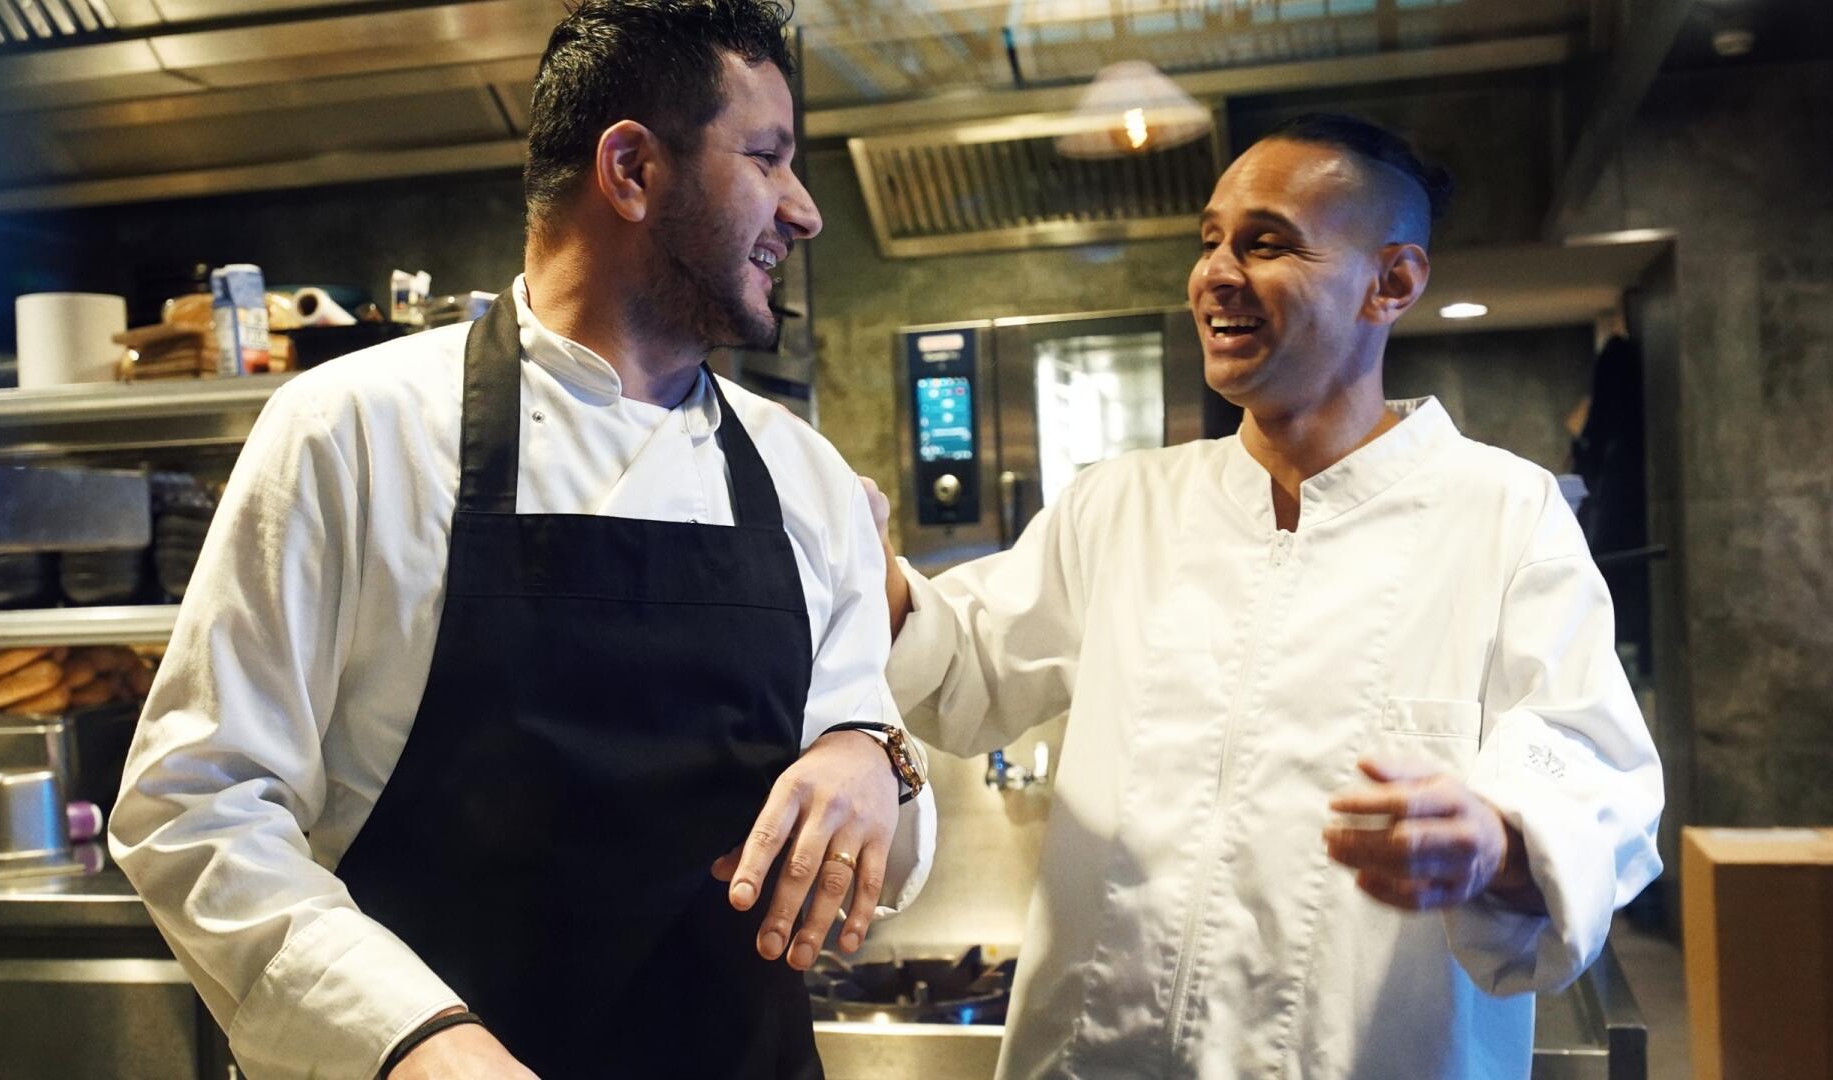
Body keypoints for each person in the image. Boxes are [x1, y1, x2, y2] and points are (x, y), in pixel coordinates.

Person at [110, 3, 934, 1078]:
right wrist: (410, 1040)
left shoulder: (805, 475)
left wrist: (874, 755)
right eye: (767, 159)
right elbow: (195, 805)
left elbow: (883, 846)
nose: (805, 210)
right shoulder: (353, 430)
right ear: (631, 170)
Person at [871, 113, 1663, 1079]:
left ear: (1392, 282)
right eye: (1210, 240)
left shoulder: (1503, 514)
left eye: (1268, 243)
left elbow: (1595, 772)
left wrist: (1496, 840)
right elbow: (964, 661)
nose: (1214, 273)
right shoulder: (1122, 505)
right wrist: (861, 562)